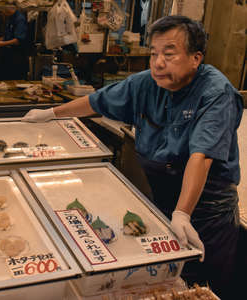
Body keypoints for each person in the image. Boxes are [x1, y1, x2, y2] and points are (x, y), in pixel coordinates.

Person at [22, 15, 243, 299]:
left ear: (195, 58)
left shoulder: (216, 93)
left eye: (169, 54)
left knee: (203, 288)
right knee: (165, 288)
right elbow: (96, 101)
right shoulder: (145, 83)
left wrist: (183, 212)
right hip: (162, 201)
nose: (158, 62)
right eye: (154, 53)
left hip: (206, 211)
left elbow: (201, 156)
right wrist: (51, 114)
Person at [0, 5, 28, 80]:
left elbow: (18, 41)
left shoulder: (20, 19)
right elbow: (8, 36)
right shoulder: (10, 18)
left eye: (2, 11)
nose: (2, 13)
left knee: (14, 79)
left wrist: (2, 44)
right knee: (5, 78)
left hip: (17, 55)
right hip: (8, 54)